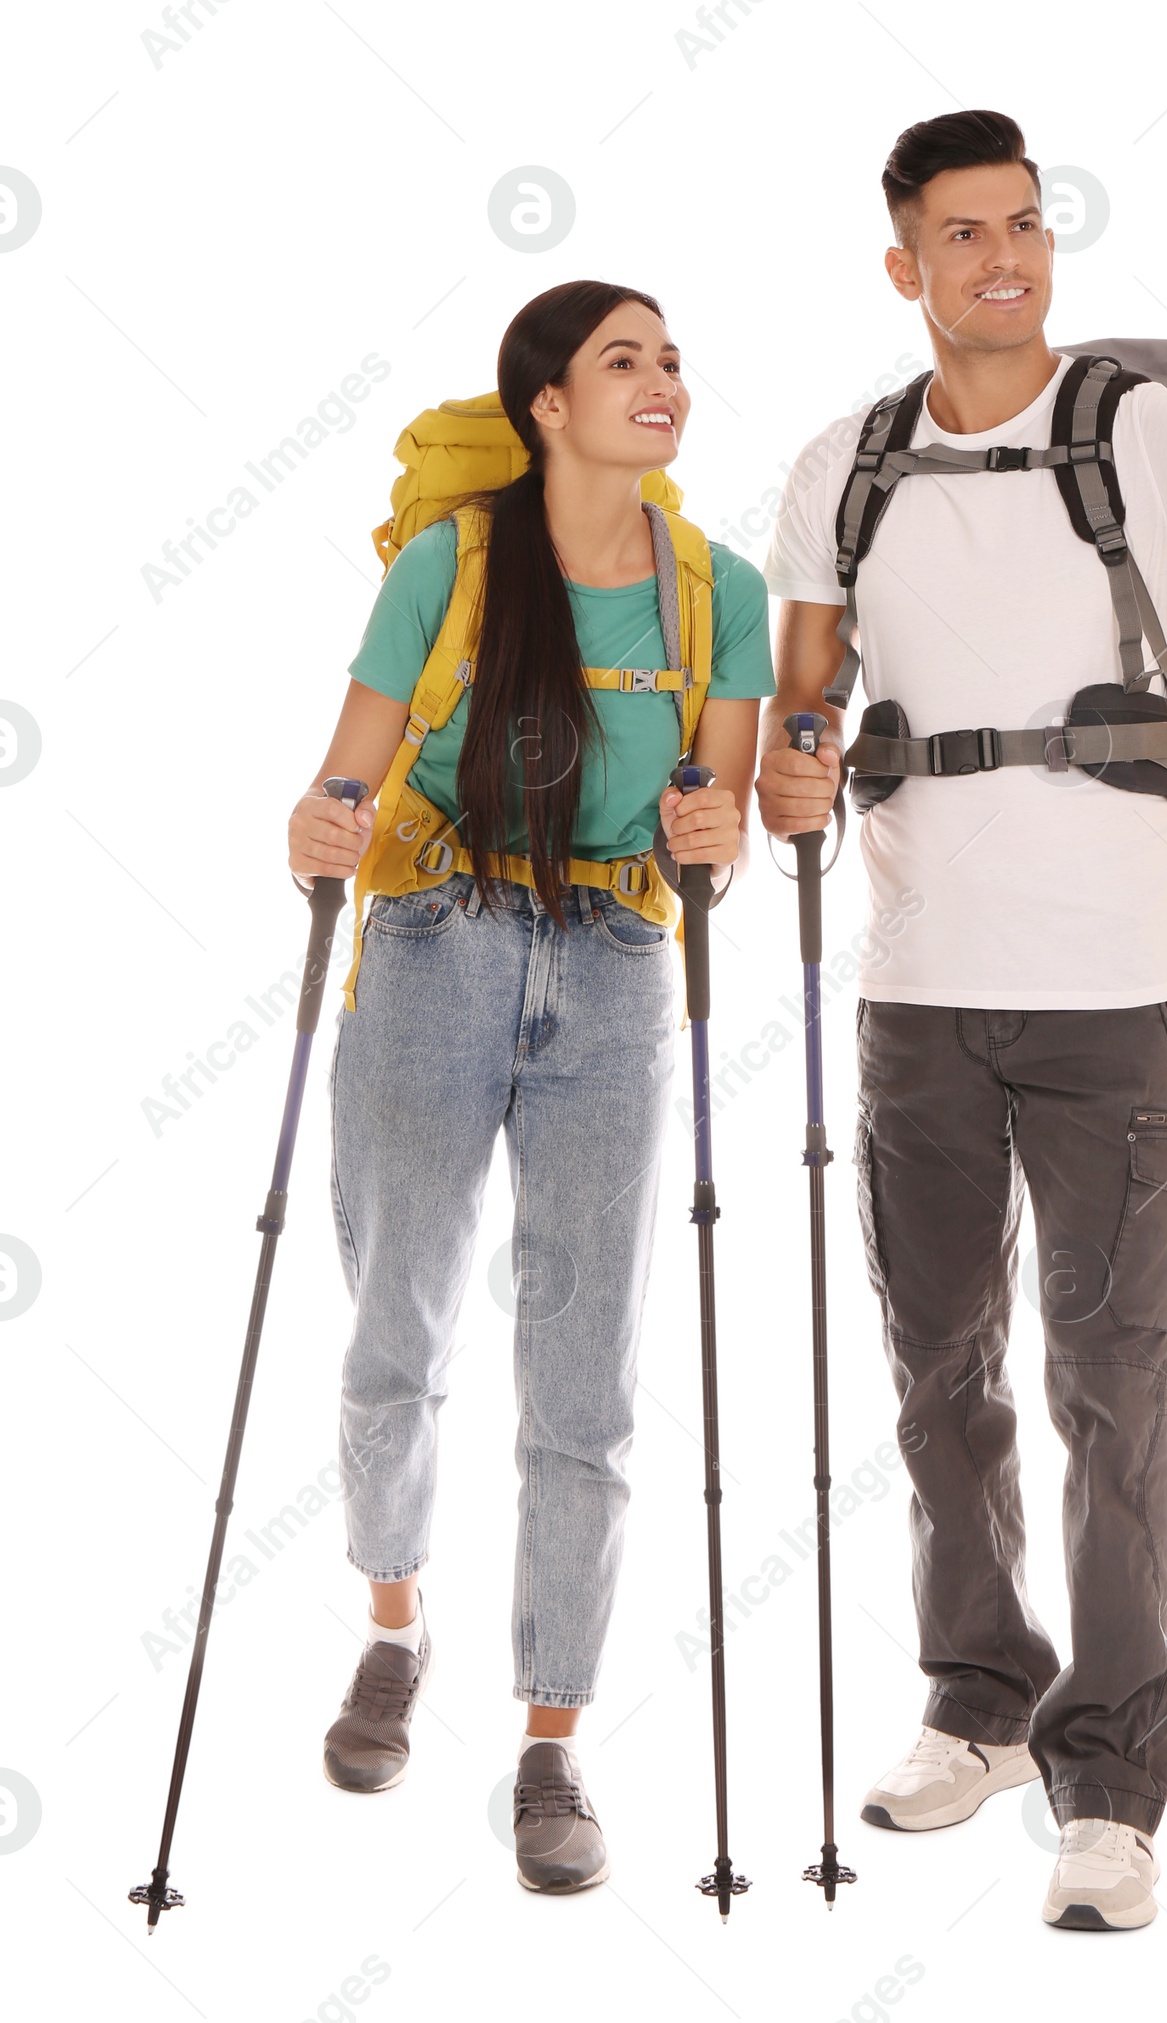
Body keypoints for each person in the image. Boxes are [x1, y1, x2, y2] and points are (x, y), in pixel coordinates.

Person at [755, 111, 1167, 1930]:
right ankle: (977, 1702)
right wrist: (788, 775)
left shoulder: (1160, 430)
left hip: (1116, 1003)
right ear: (907, 265)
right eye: (965, 233)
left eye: (1028, 225)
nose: (1007, 258)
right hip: (914, 1004)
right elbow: (798, 713)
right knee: (938, 1380)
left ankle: (1111, 1779)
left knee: (1117, 1390)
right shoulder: (843, 467)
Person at [286, 280, 774, 1894]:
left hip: (618, 968)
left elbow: (719, 814)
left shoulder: (722, 592)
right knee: (392, 1339)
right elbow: (346, 769)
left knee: (587, 1380)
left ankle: (552, 1744)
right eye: (624, 361)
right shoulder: (454, 562)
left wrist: (719, 834)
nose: (663, 383)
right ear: (547, 405)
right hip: (435, 942)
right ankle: (393, 1616)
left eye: (674, 362)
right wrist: (321, 825)